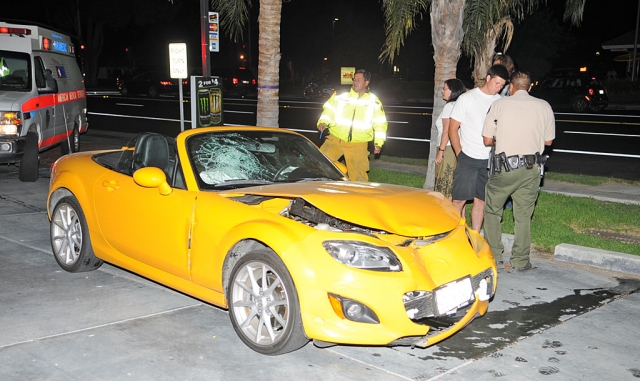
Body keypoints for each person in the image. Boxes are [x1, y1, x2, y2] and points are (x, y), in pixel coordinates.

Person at [482, 71, 555, 272]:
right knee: (523, 215)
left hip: (504, 168)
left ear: (511, 87)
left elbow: (487, 140)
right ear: (530, 87)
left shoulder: (499, 105)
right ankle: (521, 260)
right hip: (532, 168)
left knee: (492, 211)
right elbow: (548, 142)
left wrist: (502, 137)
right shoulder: (544, 106)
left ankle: (494, 256)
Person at [448, 64, 510, 232]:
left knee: (480, 200)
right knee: (459, 200)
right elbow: (453, 128)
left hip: (489, 159)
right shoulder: (467, 98)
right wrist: (459, 153)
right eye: (497, 83)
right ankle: (454, 234)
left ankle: (475, 235)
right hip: (468, 156)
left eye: (502, 85)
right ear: (488, 78)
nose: (499, 87)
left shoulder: (501, 102)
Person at [317, 69, 388, 181]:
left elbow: (380, 124)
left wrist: (378, 143)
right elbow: (328, 110)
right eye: (354, 79)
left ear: (366, 82)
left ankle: (359, 196)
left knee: (358, 176)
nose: (355, 82)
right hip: (336, 139)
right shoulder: (341, 96)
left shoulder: (374, 101)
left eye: (359, 80)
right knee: (319, 164)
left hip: (358, 144)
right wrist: (323, 122)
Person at [434, 78, 466, 199]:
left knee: (443, 184)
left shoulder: (449, 107)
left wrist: (440, 151)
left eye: (445, 88)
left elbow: (447, 130)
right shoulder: (459, 105)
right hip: (455, 147)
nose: (442, 91)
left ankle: (443, 213)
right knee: (451, 183)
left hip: (446, 148)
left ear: (452, 91)